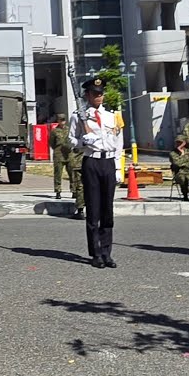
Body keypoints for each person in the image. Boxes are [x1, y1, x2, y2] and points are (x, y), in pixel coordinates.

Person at [69, 77, 124, 269]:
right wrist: (84, 142)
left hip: (108, 162)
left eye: (101, 93)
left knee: (107, 210)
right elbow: (71, 140)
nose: (99, 97)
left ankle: (107, 252)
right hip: (91, 161)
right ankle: (96, 253)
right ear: (87, 95)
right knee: (93, 210)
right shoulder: (78, 116)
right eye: (95, 94)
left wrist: (118, 168)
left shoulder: (112, 116)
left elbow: (118, 143)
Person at [50, 113, 85, 218]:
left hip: (69, 155)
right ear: (58, 120)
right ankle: (58, 191)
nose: (62, 121)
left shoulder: (69, 129)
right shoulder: (54, 131)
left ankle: (73, 190)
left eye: (64, 120)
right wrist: (57, 149)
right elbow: (52, 143)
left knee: (72, 174)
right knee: (58, 174)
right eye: (60, 120)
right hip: (59, 155)